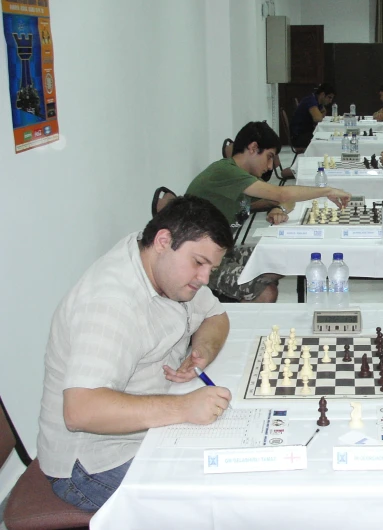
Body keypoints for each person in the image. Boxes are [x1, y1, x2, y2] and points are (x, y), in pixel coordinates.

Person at [37, 196, 237, 511]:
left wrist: (202, 348)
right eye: (199, 263)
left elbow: (216, 317)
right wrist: (182, 408)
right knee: (212, 505)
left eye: (211, 267)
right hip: (92, 463)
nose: (205, 278)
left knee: (234, 467)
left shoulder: (163, 269)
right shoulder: (110, 303)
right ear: (163, 241)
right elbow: (80, 411)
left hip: (149, 428)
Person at [187, 121, 351, 302]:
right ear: (253, 147)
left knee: (280, 259)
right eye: (269, 156)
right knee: (267, 292)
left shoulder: (242, 178)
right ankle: (246, 324)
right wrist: (327, 191)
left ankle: (241, 306)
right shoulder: (225, 172)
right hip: (200, 261)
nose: (271, 166)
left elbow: (283, 200)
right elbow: (282, 193)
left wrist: (277, 208)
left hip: (223, 251)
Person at [290, 83, 335, 147]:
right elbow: (318, 119)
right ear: (322, 94)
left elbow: (323, 112)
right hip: (299, 138)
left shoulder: (315, 100)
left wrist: (321, 111)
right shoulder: (310, 101)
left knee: (327, 137)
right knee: (327, 140)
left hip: (305, 133)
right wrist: (320, 114)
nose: (330, 101)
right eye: (329, 97)